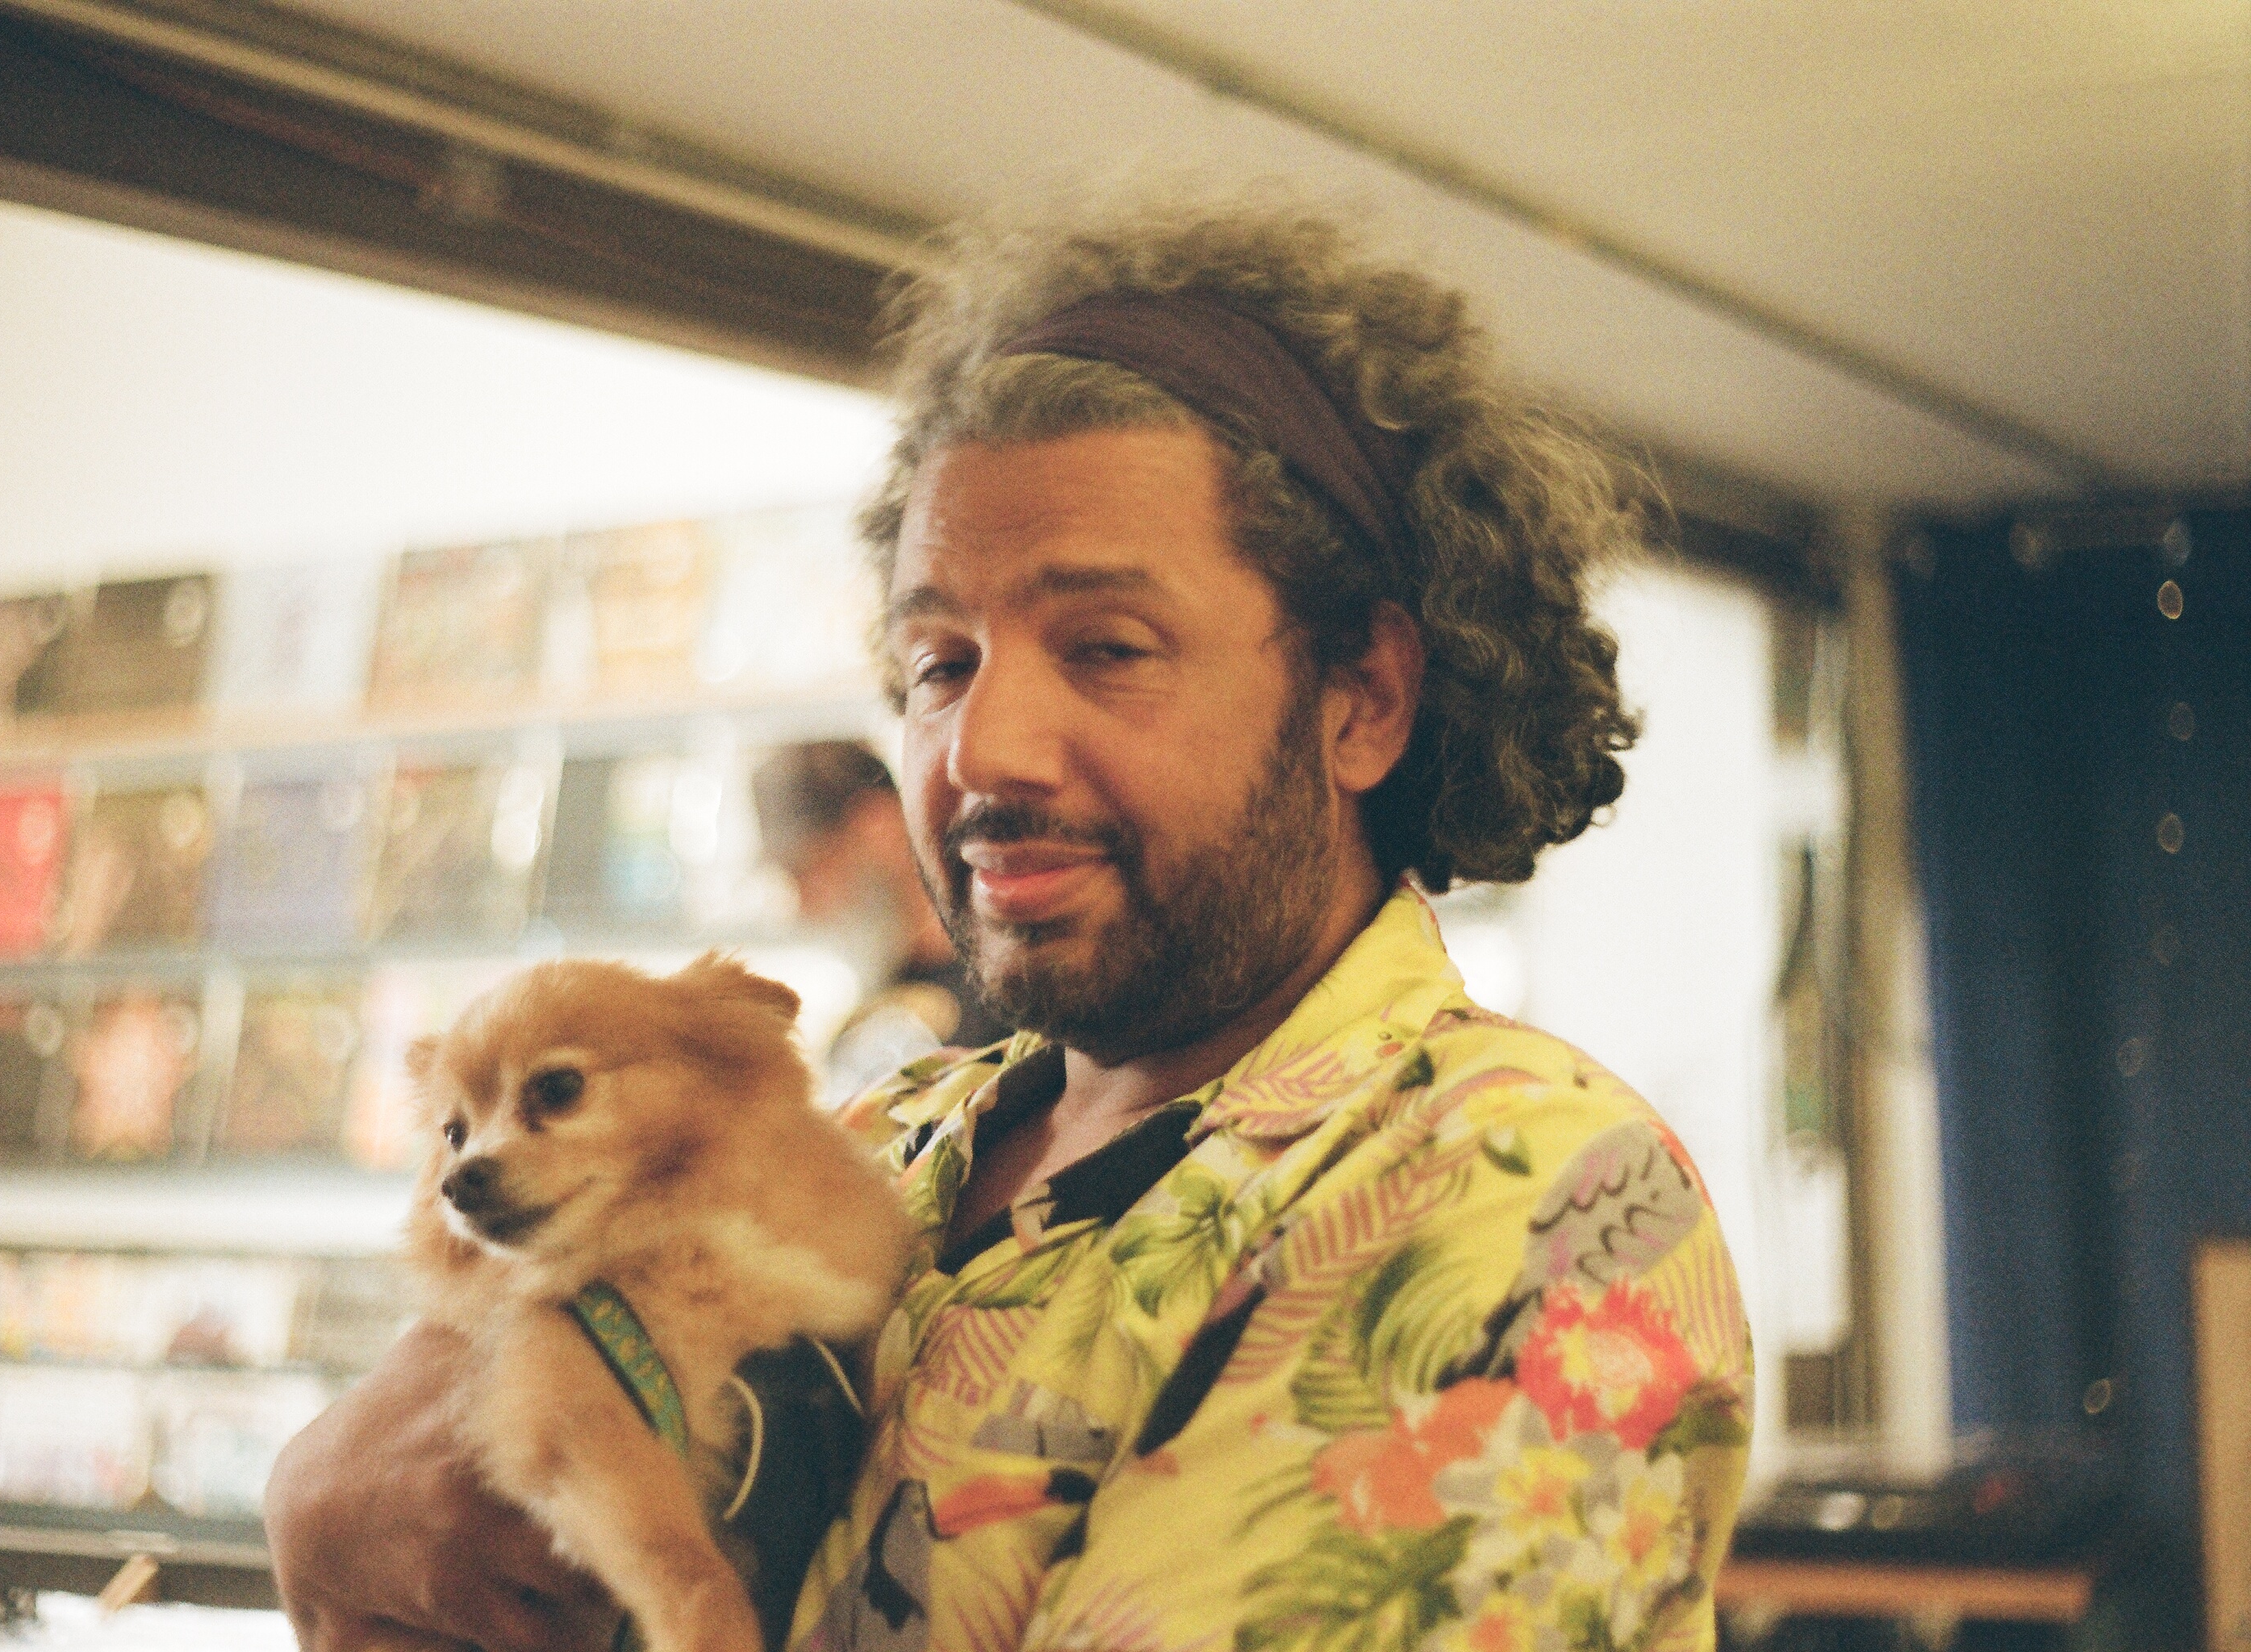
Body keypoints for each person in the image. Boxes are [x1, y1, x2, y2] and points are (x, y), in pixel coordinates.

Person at [267, 190, 1752, 1652]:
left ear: (1359, 695)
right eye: (938, 661)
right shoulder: (892, 1139)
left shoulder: (1516, 1196)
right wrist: (332, 1502)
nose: (983, 748)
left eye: (1106, 646)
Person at [752, 740, 1013, 1099]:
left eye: (810, 869)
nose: (805, 906)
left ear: (878, 824)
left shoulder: (1007, 977)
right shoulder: (870, 1004)